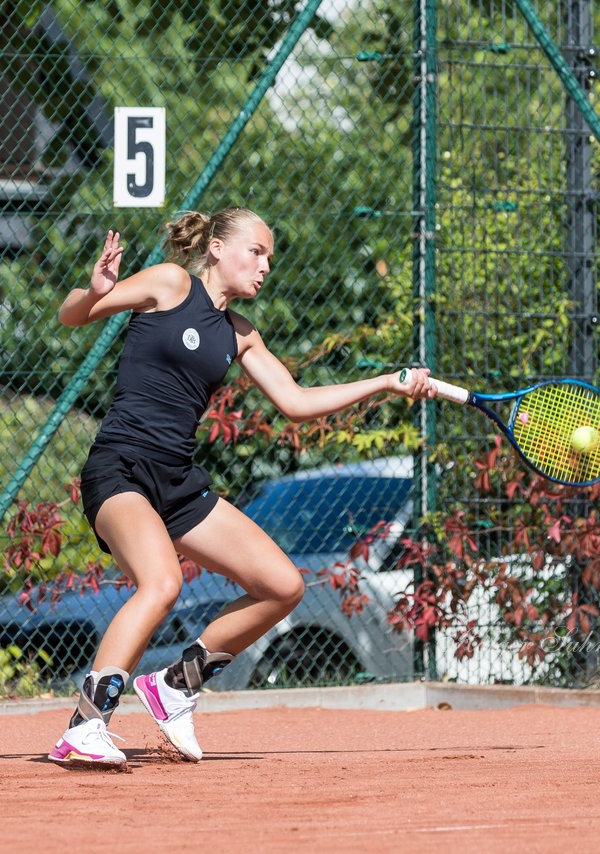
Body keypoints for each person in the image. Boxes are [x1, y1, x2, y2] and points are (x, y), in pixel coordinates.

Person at [48, 206, 434, 768]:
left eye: (270, 257)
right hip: (121, 468)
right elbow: (71, 317)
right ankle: (85, 724)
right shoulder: (170, 282)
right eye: (256, 251)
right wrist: (93, 290)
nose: (265, 266)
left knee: (282, 586)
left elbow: (297, 403)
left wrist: (384, 383)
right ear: (217, 249)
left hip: (178, 482)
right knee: (161, 583)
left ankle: (175, 686)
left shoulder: (241, 335)